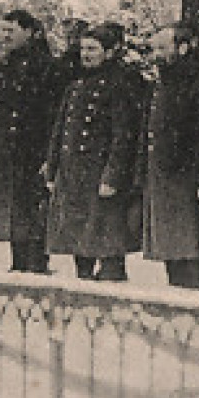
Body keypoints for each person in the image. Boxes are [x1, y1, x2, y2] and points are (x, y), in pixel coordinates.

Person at [45, 23, 141, 281]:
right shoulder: (75, 87)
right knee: (78, 237)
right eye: (83, 49)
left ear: (109, 53)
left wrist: (112, 176)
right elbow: (60, 131)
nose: (85, 54)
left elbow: (123, 137)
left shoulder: (119, 86)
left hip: (99, 175)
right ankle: (83, 280)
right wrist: (52, 168)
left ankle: (112, 281)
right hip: (73, 173)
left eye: (92, 49)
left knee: (107, 239)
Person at [0, 10, 64, 274]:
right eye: (3, 31)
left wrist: (48, 157)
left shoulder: (47, 67)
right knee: (12, 209)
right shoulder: (3, 65)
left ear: (29, 32)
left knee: (33, 208)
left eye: (11, 31)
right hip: (6, 149)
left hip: (33, 150)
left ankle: (37, 264)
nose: (4, 36)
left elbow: (53, 115)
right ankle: (18, 264)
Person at [139, 22, 199, 290]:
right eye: (154, 48)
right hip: (162, 176)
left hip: (187, 177)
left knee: (190, 248)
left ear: (183, 48)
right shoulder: (161, 82)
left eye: (162, 47)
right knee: (171, 249)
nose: (156, 54)